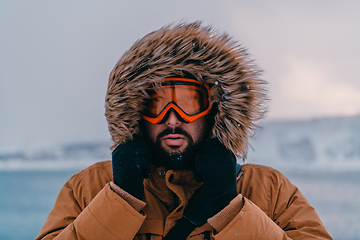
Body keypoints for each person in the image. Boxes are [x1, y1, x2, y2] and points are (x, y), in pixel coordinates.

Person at [36, 22, 332, 240]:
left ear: (214, 110)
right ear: (136, 113)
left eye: (190, 102)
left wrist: (231, 209)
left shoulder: (267, 190)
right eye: (157, 104)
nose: (173, 119)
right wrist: (119, 202)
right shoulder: (89, 188)